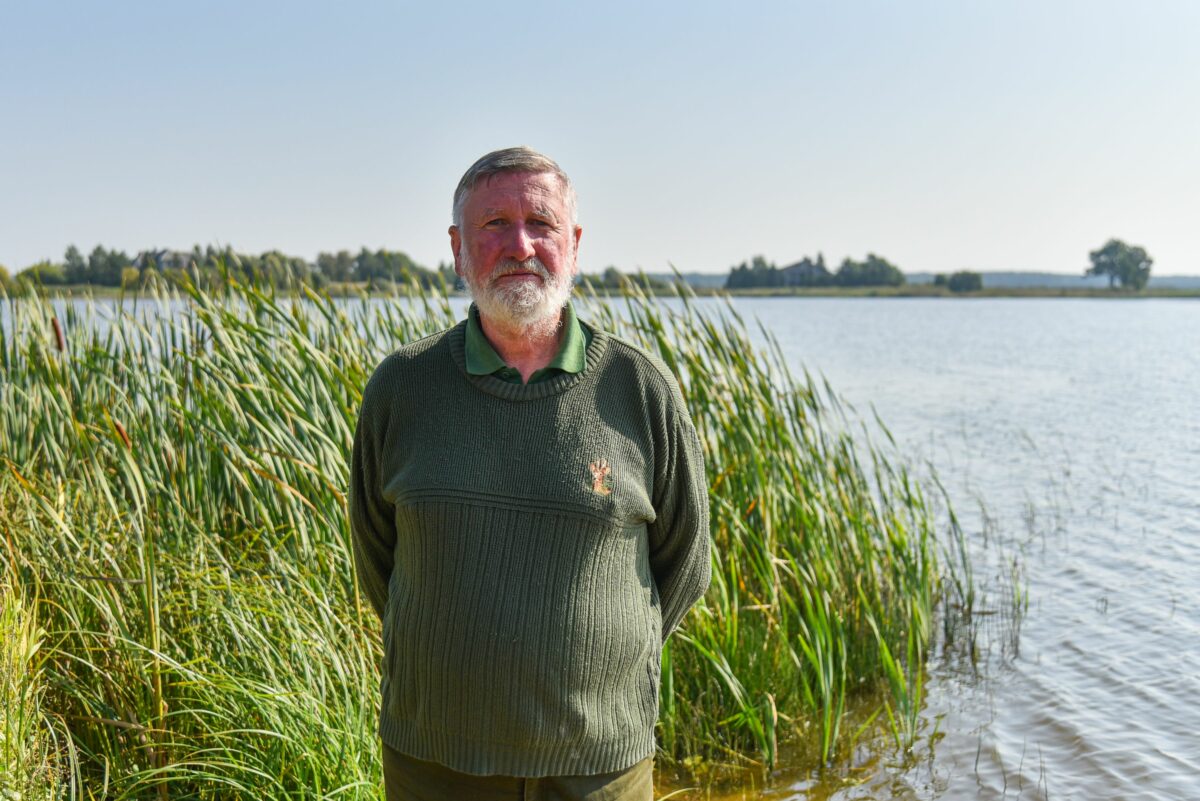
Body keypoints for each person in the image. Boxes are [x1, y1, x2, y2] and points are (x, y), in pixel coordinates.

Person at [349, 146, 711, 801]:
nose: (520, 244)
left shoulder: (640, 389)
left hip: (601, 768)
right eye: (494, 225)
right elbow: (380, 561)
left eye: (540, 223)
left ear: (572, 243)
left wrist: (595, 666)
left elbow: (684, 566)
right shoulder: (401, 387)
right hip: (434, 762)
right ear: (458, 249)